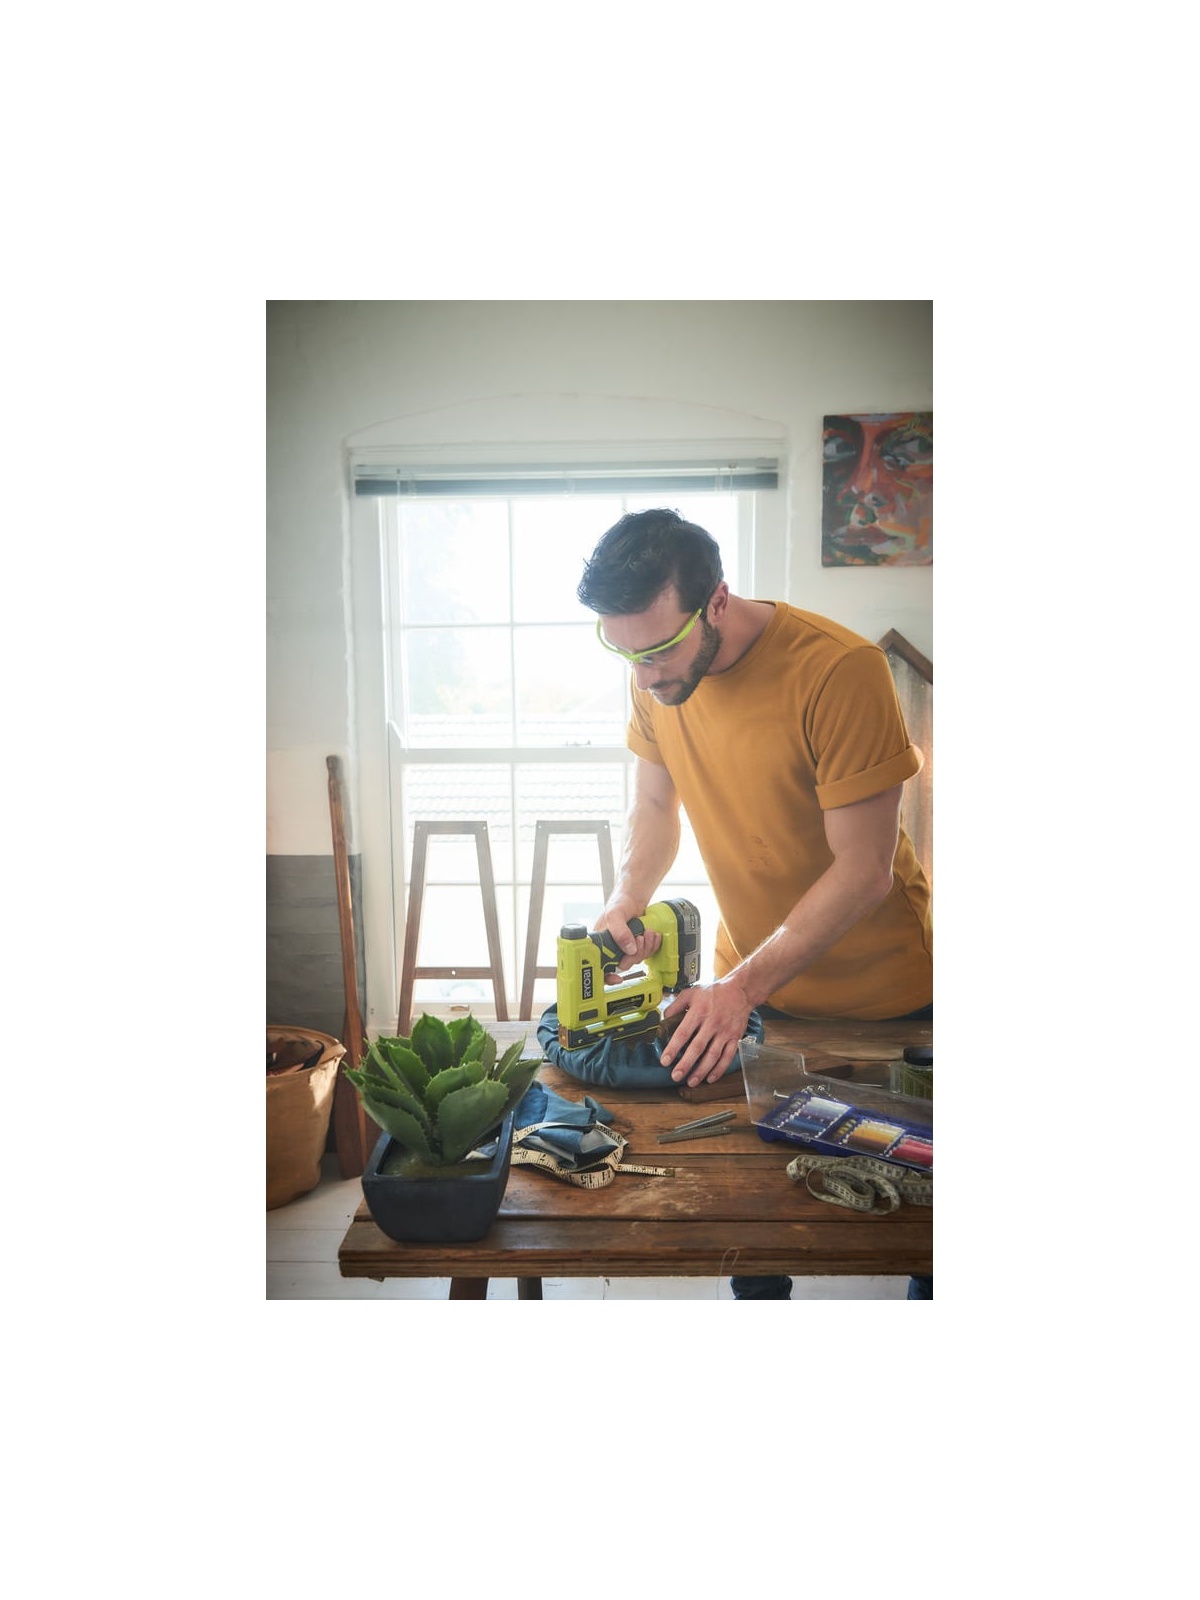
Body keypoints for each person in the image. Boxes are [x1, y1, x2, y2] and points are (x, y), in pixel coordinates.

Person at [576, 507, 933, 1300]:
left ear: (717, 601)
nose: (644, 676)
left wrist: (740, 987)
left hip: (886, 1000)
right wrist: (628, 895)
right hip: (755, 988)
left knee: (923, 1214)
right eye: (625, 652)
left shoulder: (839, 672)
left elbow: (865, 871)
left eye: (657, 651)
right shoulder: (656, 676)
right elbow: (656, 805)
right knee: (751, 1207)